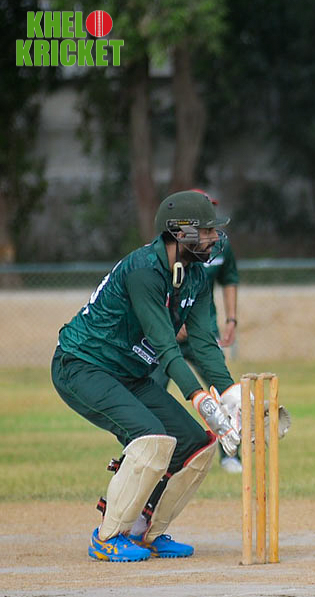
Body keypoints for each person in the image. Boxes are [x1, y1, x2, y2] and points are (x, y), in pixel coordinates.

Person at [51, 190, 245, 562]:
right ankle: (108, 536)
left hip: (129, 374)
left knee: (195, 445)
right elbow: (165, 346)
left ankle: (145, 531)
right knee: (151, 437)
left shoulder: (196, 276)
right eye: (206, 231)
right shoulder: (143, 270)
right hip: (81, 364)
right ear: (180, 232)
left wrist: (231, 395)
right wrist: (199, 398)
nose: (213, 238)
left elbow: (204, 343)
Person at [150, 189, 242, 474]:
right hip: (166, 339)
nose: (211, 225)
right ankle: (147, 452)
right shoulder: (159, 256)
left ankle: (231, 453)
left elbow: (229, 279)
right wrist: (170, 325)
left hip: (202, 333)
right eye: (205, 219)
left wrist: (231, 319)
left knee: (224, 390)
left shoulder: (214, 251)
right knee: (150, 393)